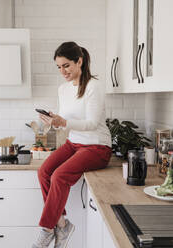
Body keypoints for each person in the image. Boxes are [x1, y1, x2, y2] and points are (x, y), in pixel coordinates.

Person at [32, 41, 112, 248]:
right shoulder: (63, 89)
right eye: (59, 67)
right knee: (44, 173)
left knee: (59, 176)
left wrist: (64, 122)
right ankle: (62, 223)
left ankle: (47, 229)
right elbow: (67, 124)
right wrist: (55, 121)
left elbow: (92, 123)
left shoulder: (94, 86)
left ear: (80, 61)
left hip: (96, 146)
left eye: (66, 65)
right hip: (74, 143)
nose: (63, 71)